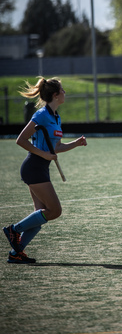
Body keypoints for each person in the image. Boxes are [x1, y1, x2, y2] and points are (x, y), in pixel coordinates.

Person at [2, 77, 87, 264]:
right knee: (54, 210)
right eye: (62, 90)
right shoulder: (41, 115)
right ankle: (14, 230)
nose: (65, 93)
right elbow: (21, 140)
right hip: (33, 167)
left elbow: (55, 147)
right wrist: (44, 154)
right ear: (55, 95)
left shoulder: (56, 117)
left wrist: (76, 143)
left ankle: (16, 253)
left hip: (41, 168)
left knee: (39, 215)